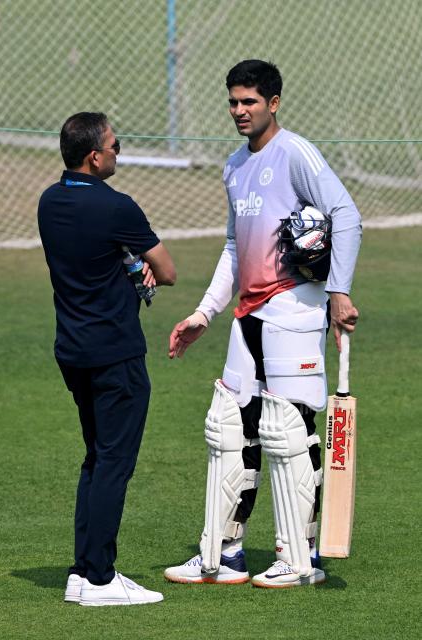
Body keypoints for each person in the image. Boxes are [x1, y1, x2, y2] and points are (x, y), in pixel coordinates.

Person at [164, 60, 360, 588]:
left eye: (249, 101)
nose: (239, 111)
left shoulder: (295, 153)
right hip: (247, 314)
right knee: (229, 429)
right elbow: (234, 246)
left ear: (273, 103)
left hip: (294, 308)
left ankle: (301, 559)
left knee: (288, 430)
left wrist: (337, 292)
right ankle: (224, 554)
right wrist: (204, 312)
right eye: (233, 101)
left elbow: (345, 214)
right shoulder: (233, 166)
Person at [38, 112, 176, 606]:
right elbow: (168, 270)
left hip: (72, 351)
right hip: (116, 353)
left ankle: (82, 571)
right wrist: (134, 264)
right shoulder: (119, 208)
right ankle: (99, 578)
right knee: (115, 463)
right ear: (95, 156)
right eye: (116, 146)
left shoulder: (49, 201)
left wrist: (123, 262)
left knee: (96, 459)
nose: (119, 152)